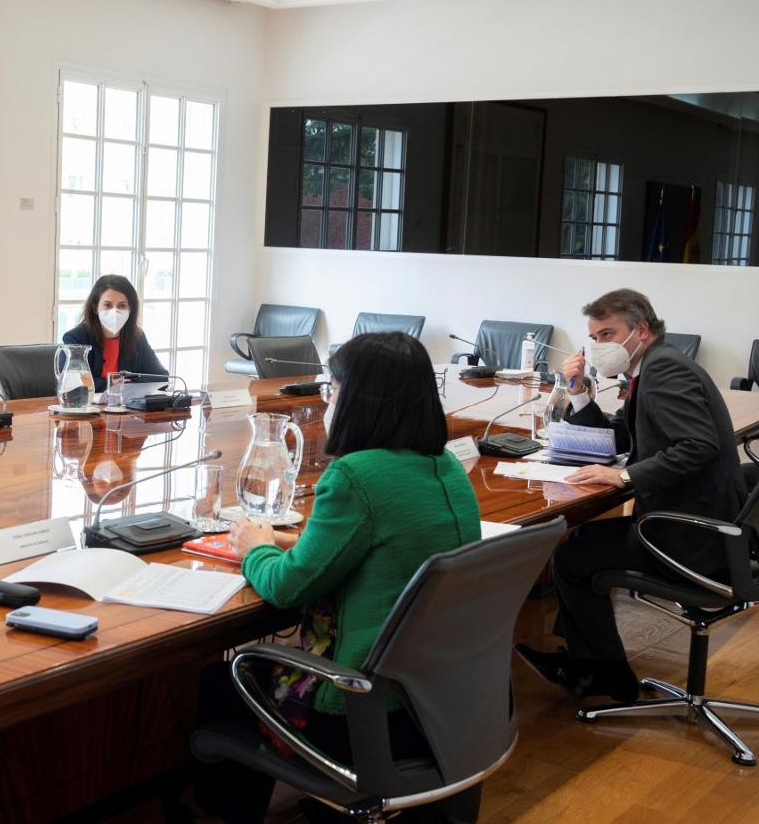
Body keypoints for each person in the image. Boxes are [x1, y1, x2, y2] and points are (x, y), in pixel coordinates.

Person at [192, 332, 483, 824]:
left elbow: (287, 588)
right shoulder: (445, 466)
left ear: (362, 399)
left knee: (223, 681)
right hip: (439, 705)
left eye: (334, 388)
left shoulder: (356, 475)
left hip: (361, 713)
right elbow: (380, 548)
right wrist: (295, 543)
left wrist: (256, 549)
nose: (328, 399)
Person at [517, 289, 746, 701]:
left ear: (640, 330)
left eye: (607, 335)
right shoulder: (653, 367)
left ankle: (603, 674)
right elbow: (616, 436)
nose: (599, 347)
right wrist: (578, 391)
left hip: (692, 537)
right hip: (698, 524)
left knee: (572, 556)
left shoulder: (665, 373)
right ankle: (587, 662)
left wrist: (623, 478)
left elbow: (698, 446)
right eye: (594, 338)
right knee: (581, 543)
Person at [61, 275, 167, 392]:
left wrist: (127, 383)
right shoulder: (76, 338)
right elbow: (70, 383)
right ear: (95, 308)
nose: (115, 311)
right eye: (107, 305)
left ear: (130, 309)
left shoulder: (137, 337)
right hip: (86, 406)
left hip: (125, 407)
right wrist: (109, 384)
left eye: (122, 306)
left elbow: (162, 378)